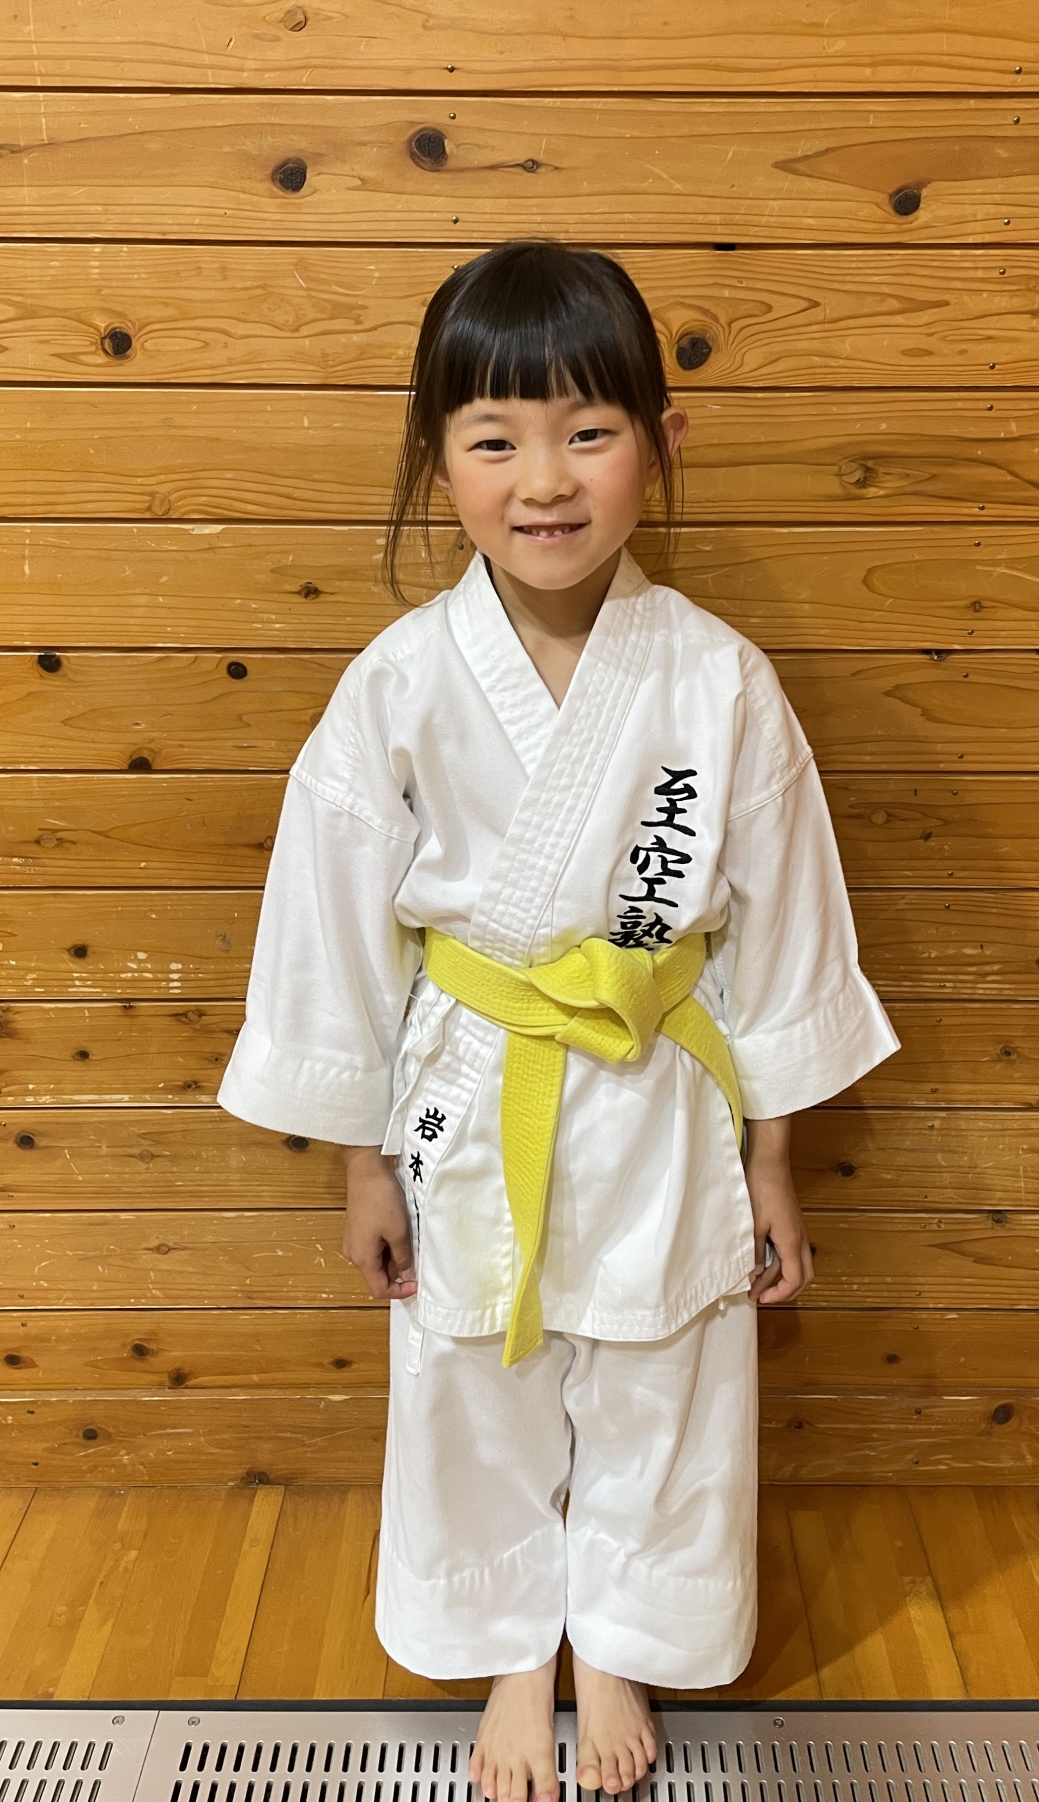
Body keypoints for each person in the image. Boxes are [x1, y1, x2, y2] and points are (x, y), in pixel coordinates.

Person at [218, 238, 898, 1802]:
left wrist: (774, 1164)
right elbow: (332, 934)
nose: (544, 480)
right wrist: (360, 1165)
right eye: (495, 439)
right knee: (471, 1369)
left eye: (589, 431)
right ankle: (516, 1646)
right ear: (435, 457)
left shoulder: (719, 680)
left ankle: (622, 1641)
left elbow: (785, 929)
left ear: (662, 442)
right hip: (469, 1083)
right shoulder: (398, 683)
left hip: (662, 1082)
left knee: (667, 1369)